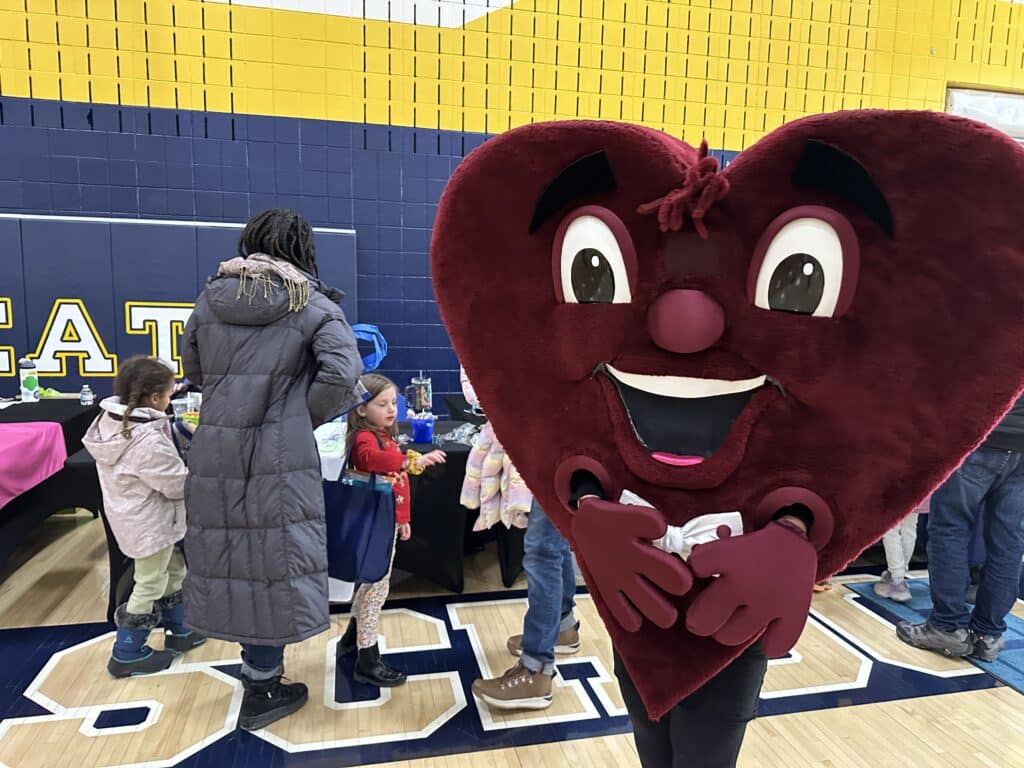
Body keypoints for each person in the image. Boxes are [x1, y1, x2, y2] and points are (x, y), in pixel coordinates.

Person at [182, 209, 365, 731]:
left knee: (235, 556)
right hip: (279, 455)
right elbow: (344, 372)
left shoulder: (210, 299)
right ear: (303, 251)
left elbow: (193, 369)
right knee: (274, 557)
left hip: (215, 449)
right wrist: (295, 416)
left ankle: (256, 672)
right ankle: (264, 684)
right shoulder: (314, 305)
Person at [82, 355, 205, 678]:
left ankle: (179, 630)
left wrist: (177, 431)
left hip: (135, 518)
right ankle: (127, 652)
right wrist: (201, 473)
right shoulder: (146, 441)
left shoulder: (112, 421)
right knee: (149, 582)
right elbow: (177, 484)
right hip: (152, 524)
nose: (171, 397)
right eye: (168, 393)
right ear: (154, 399)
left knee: (174, 570)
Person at [335, 373, 446, 685]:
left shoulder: (385, 436)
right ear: (360, 409)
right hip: (372, 524)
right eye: (381, 404)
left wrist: (403, 518)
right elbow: (372, 460)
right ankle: (367, 659)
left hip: (384, 520)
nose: (390, 410)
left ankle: (351, 639)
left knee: (372, 584)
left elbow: (398, 486)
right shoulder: (365, 439)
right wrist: (412, 460)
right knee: (376, 587)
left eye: (392, 403)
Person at [897, 397, 1024, 662]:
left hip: (981, 435)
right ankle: (988, 635)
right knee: (1009, 541)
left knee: (949, 528)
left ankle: (948, 625)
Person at [470, 496, 581, 709]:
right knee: (556, 536)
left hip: (556, 464)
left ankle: (535, 671)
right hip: (566, 465)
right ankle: (561, 626)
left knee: (543, 549)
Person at [873, 496, 926, 602]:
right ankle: (898, 575)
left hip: (896, 487)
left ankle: (897, 580)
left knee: (890, 529)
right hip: (919, 487)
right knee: (909, 529)